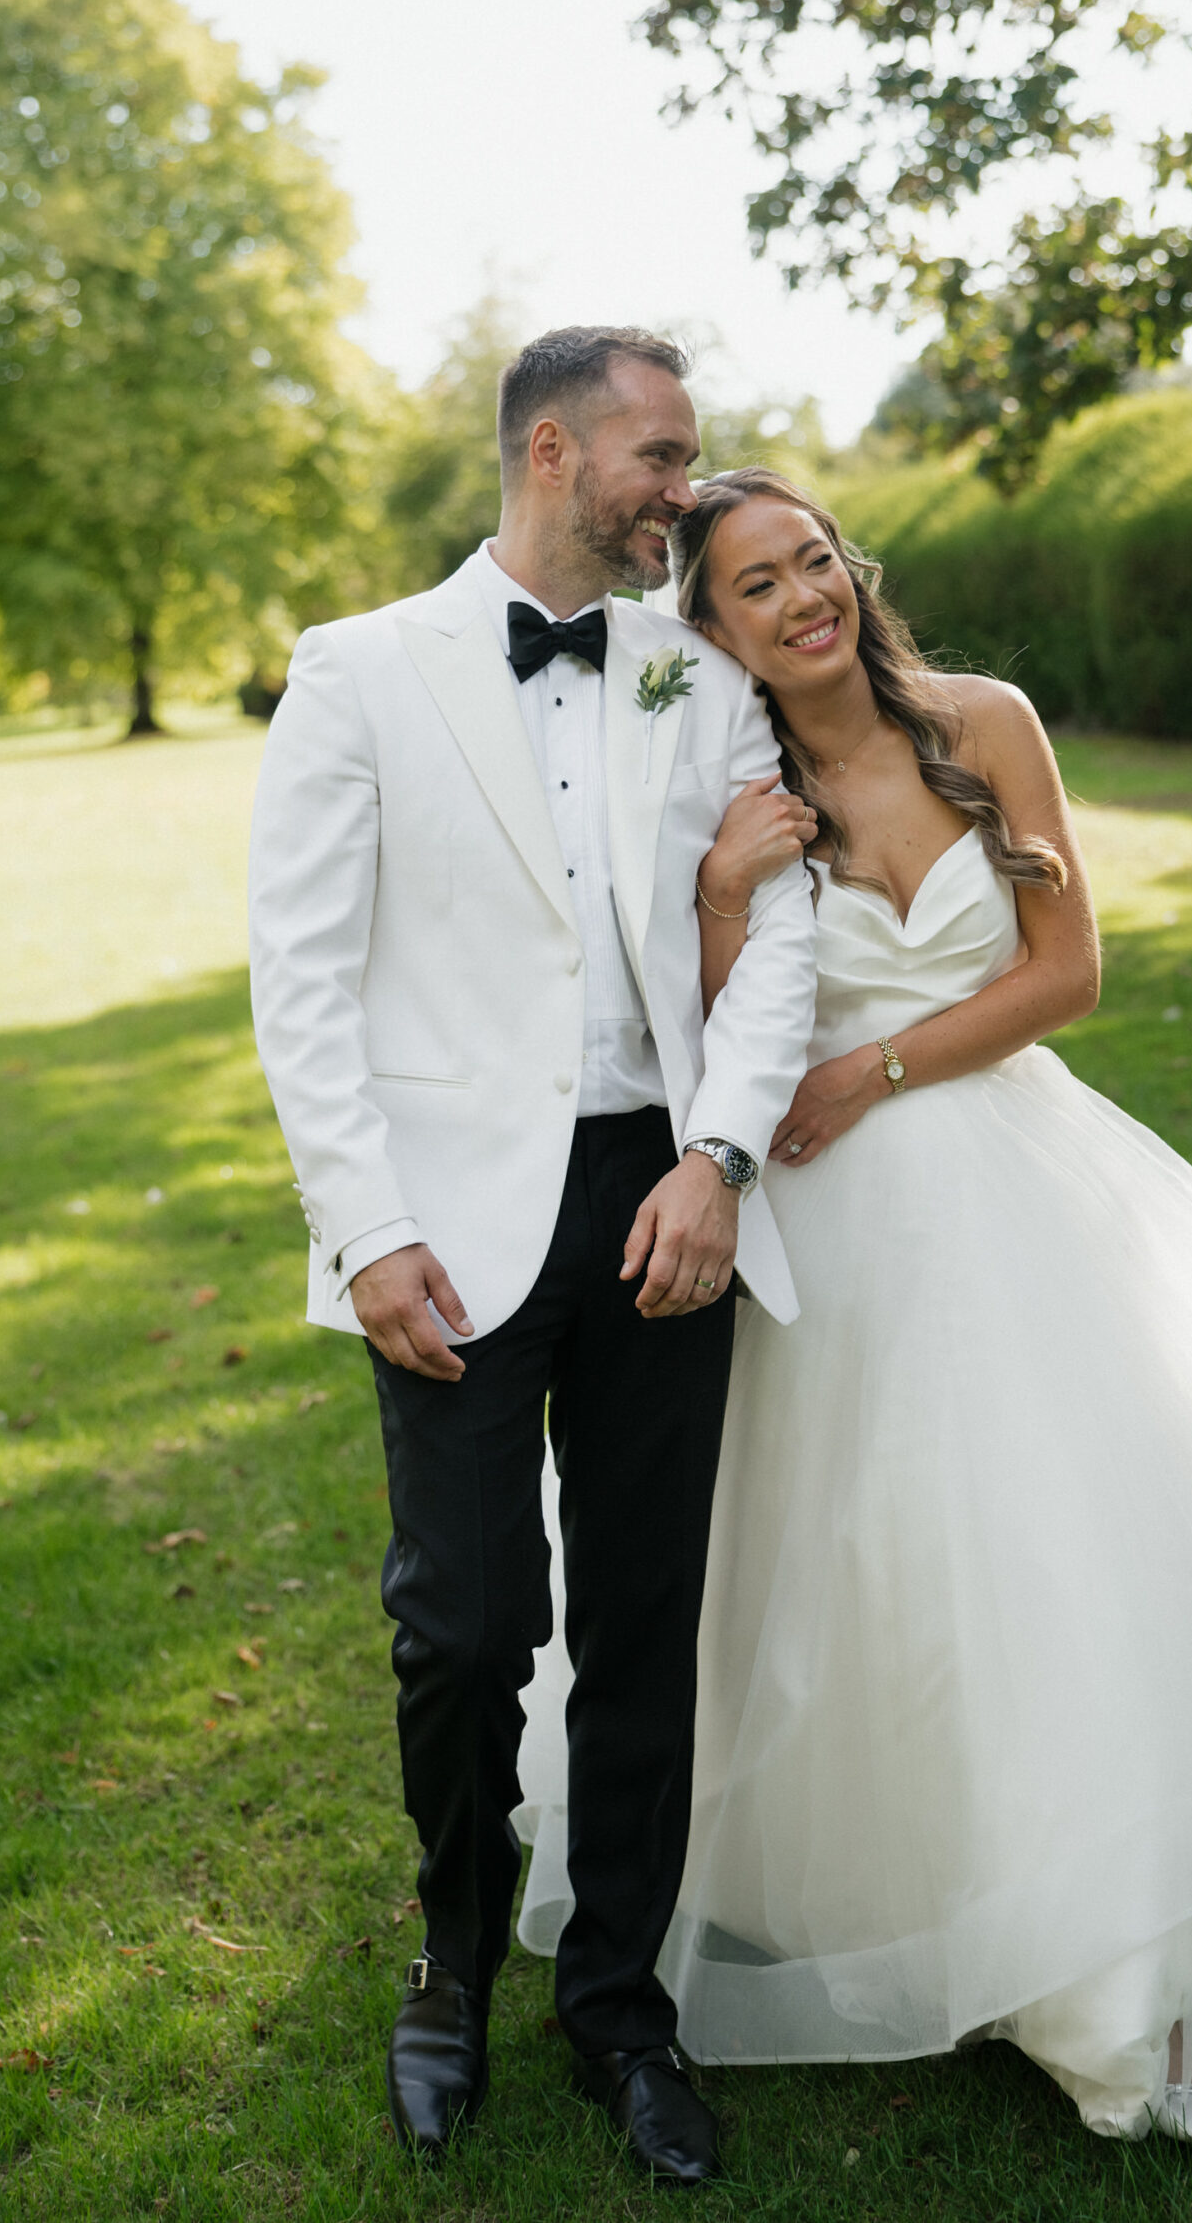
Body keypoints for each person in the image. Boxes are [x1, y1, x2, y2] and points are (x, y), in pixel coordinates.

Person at [514, 463, 1192, 2141]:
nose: (804, 598)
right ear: (714, 630)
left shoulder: (986, 722)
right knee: (880, 1567)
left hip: (1015, 1180)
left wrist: (879, 1070)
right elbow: (718, 1029)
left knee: (1076, 1539)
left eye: (814, 559)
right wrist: (730, 890)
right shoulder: (721, 785)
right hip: (828, 1230)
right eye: (757, 585)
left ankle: (1128, 1932)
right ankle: (938, 1897)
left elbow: (1066, 973)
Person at [247, 341, 818, 2185]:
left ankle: (622, 2012)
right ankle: (450, 1966)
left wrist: (720, 1158)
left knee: (646, 1621)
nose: (685, 486)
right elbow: (300, 981)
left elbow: (783, 940)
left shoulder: (701, 677)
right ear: (554, 451)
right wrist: (366, 1231)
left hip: (666, 1201)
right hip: (443, 1227)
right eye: (662, 453)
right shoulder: (357, 670)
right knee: (468, 1625)